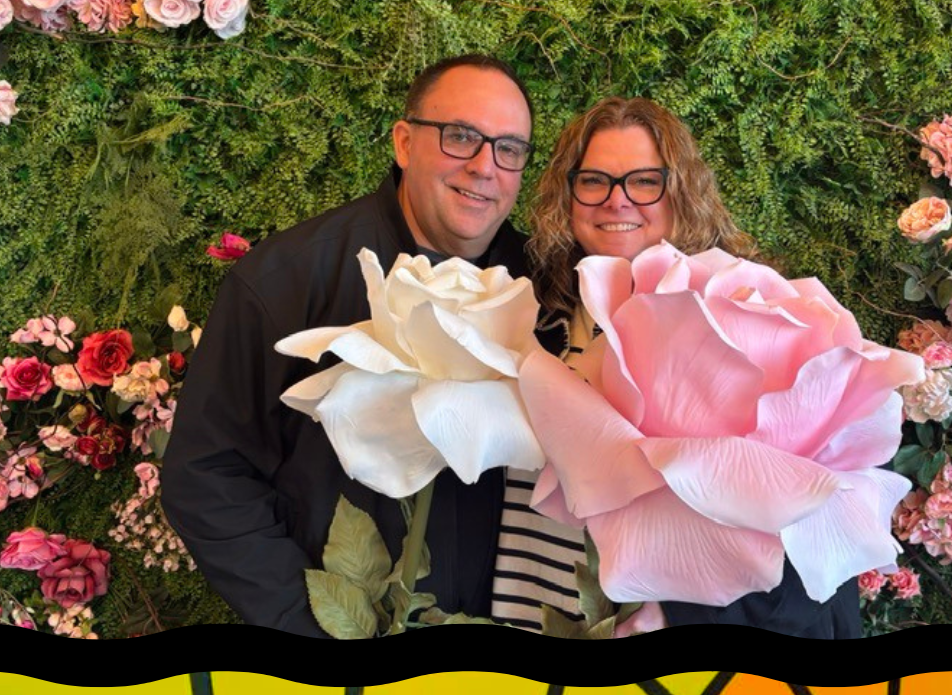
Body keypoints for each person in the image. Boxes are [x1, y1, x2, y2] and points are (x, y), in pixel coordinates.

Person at [162, 55, 546, 637]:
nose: (484, 167)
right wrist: (311, 627)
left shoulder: (546, 290)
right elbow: (207, 473)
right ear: (404, 142)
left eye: (509, 149)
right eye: (461, 137)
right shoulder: (287, 278)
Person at [495, 96, 862, 638]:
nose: (616, 201)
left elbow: (799, 504)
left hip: (659, 626)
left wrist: (680, 613)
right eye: (594, 180)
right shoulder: (534, 312)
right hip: (529, 603)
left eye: (644, 181)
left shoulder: (741, 313)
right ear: (567, 194)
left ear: (680, 191)